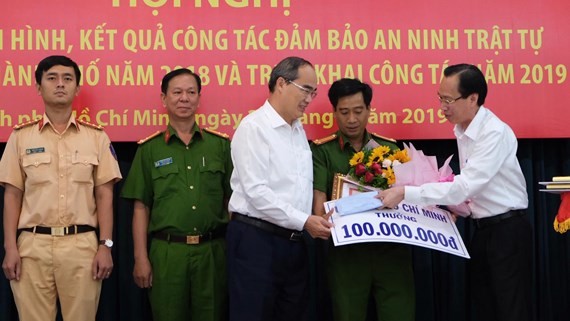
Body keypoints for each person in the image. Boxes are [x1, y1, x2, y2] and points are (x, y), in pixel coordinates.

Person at [379, 63, 531, 321]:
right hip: (483, 231)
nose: (442, 107)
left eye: (448, 100)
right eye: (440, 98)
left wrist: (406, 192)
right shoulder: (463, 129)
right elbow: (470, 190)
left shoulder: (493, 133)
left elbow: (465, 186)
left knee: (509, 310)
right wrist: (460, 207)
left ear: (473, 98)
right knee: (485, 308)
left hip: (506, 233)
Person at [0, 55, 122, 321]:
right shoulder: (20, 137)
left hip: (82, 247)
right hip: (32, 247)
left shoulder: (96, 137)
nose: (60, 84)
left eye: (68, 79)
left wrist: (106, 245)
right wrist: (10, 247)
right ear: (38, 86)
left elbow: (105, 195)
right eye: (52, 78)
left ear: (77, 88)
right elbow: (12, 195)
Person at [120, 68, 232, 321]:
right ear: (164, 99)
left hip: (212, 252)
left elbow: (232, 202)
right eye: (177, 92)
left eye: (191, 92)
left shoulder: (220, 146)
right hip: (167, 254)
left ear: (199, 98)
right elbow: (141, 208)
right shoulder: (150, 149)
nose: (184, 98)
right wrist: (140, 258)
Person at [227, 56, 332, 321]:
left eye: (314, 92)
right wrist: (305, 220)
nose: (310, 99)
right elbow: (257, 193)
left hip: (294, 243)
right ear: (282, 84)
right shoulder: (253, 128)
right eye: (306, 90)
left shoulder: (298, 130)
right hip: (257, 242)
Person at [311, 78, 415, 321]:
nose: (351, 119)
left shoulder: (389, 149)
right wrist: (320, 219)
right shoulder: (322, 151)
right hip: (348, 255)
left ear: (369, 109)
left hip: (392, 251)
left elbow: (410, 197)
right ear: (334, 112)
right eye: (344, 112)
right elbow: (319, 198)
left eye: (358, 111)